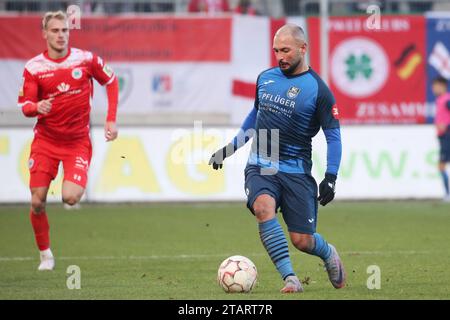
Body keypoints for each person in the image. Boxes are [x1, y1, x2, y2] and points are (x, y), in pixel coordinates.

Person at [209, 24, 345, 292]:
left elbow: (333, 136)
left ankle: (327, 252)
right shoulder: (265, 78)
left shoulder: (318, 90)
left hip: (296, 169)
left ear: (303, 49)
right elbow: (254, 118)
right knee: (263, 208)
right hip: (262, 161)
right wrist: (229, 149)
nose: (280, 56)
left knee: (302, 240)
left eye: (286, 50)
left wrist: (330, 177)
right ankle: (290, 278)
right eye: (276, 50)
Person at [18, 11, 119, 270]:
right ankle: (46, 255)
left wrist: (110, 119)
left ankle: (69, 188)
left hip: (77, 142)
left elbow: (111, 80)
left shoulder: (85, 60)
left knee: (71, 198)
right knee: (37, 201)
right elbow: (25, 105)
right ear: (45, 34)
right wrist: (37, 106)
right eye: (55, 31)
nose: (61, 35)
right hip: (46, 141)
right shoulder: (34, 68)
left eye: (64, 30)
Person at [431, 76, 450, 202]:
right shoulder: (440, 100)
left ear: (442, 86)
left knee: (441, 165)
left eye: (436, 86)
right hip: (443, 136)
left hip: (448, 135)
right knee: (441, 165)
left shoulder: (447, 100)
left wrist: (447, 126)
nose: (434, 89)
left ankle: (448, 194)